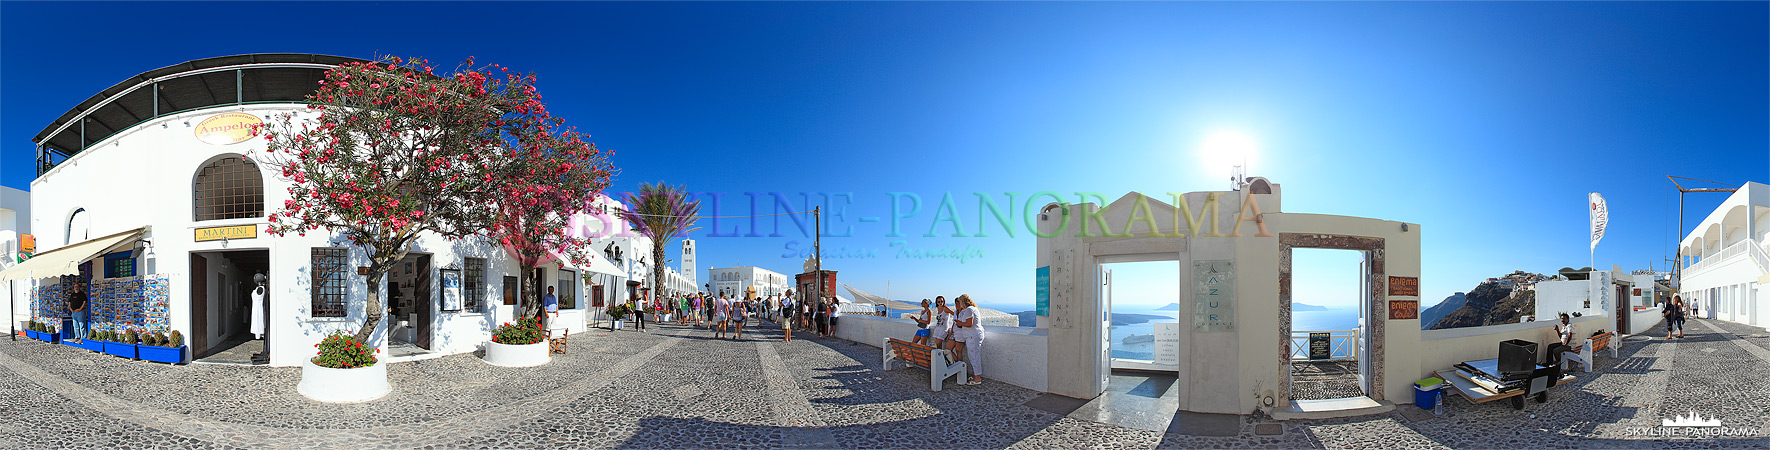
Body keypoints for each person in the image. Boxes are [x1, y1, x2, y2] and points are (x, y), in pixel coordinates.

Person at [952, 294, 986, 386]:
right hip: (974, 335)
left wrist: (960, 323)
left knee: (974, 357)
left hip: (973, 336)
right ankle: (976, 376)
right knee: (974, 356)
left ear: (963, 302)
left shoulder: (968, 310)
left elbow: (969, 323)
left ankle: (977, 378)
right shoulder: (973, 308)